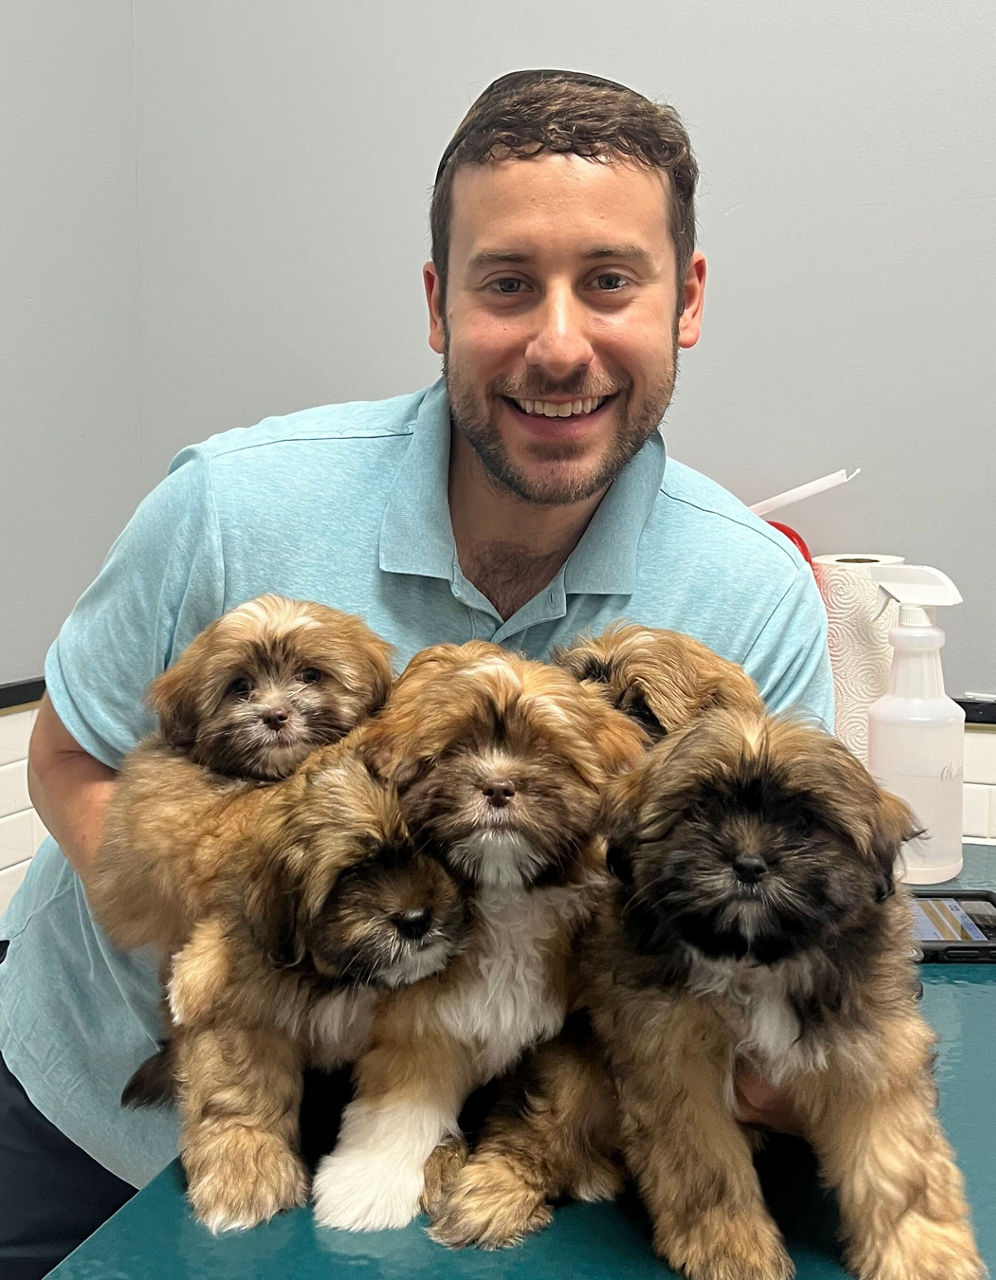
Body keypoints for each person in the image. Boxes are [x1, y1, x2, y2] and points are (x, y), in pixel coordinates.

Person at [1, 69, 832, 1276]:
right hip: (105, 1123)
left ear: (684, 298)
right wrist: (254, 941)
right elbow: (69, 750)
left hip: (469, 1138)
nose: (559, 344)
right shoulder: (232, 506)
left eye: (610, 281)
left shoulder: (748, 598)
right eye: (507, 284)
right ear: (438, 302)